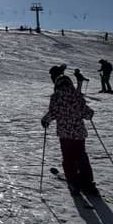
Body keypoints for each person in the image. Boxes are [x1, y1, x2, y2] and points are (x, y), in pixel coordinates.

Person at [41, 65, 98, 196]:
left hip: (65, 134)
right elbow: (87, 114)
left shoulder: (55, 97)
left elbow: (53, 113)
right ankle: (87, 183)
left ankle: (73, 183)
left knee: (68, 158)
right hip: (79, 133)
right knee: (81, 156)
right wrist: (89, 113)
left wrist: (45, 120)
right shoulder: (77, 96)